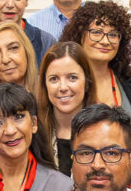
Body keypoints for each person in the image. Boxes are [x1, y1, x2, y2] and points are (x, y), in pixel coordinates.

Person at [69, 1, 131, 110]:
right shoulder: (66, 80)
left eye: (112, 35)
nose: (105, 41)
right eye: (97, 32)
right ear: (79, 35)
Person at [37, 44, 92, 174]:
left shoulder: (104, 130)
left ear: (87, 81)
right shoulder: (34, 135)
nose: (63, 87)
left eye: (72, 77)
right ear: (45, 85)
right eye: (54, 79)